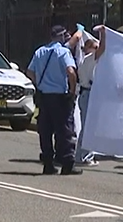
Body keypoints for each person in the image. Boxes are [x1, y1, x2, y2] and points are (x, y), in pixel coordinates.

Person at [27, 25, 80, 176]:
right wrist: (72, 90)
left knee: (45, 131)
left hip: (44, 96)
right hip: (60, 97)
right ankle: (67, 163)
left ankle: (48, 163)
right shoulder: (63, 52)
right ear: (61, 36)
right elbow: (71, 71)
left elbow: (29, 71)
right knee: (64, 130)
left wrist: (40, 84)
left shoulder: (40, 51)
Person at [73, 29, 103, 167]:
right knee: (88, 127)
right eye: (95, 47)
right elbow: (102, 49)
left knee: (87, 127)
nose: (97, 50)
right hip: (88, 94)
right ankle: (84, 156)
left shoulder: (83, 61)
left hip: (86, 94)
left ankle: (81, 155)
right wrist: (104, 34)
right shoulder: (89, 59)